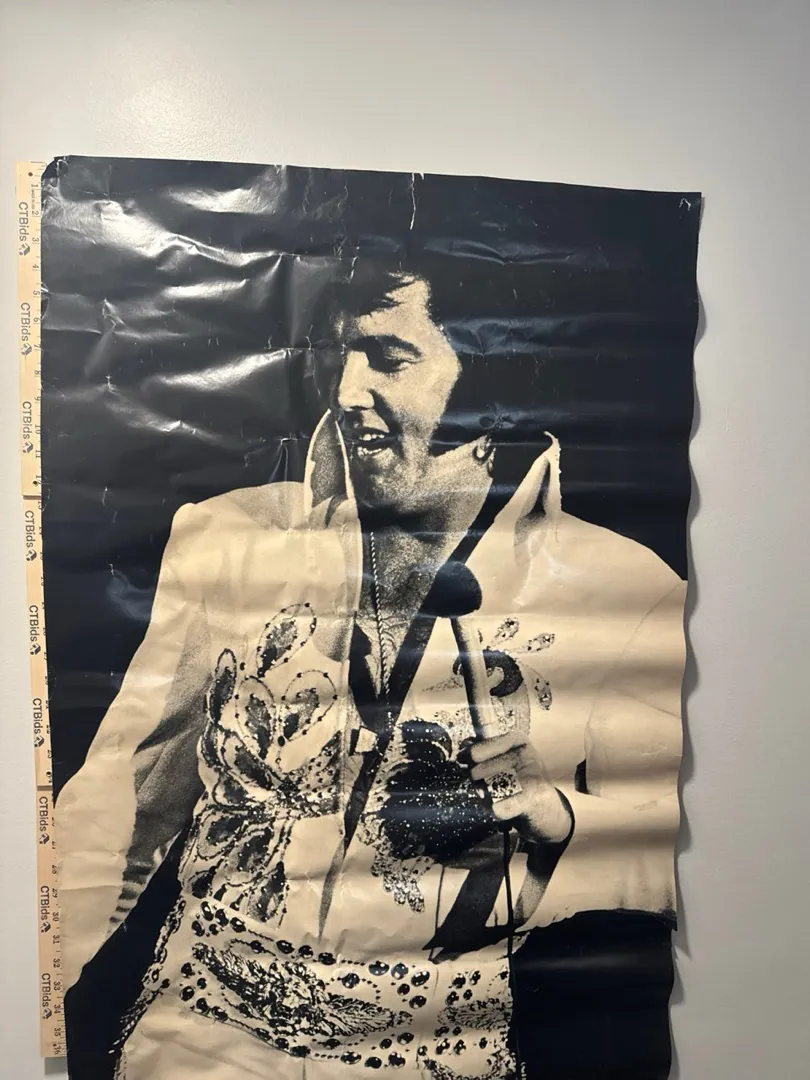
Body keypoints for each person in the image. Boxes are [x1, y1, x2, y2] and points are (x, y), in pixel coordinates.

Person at [56, 260, 685, 1080]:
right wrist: (29, 1004)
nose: (347, 390)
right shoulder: (228, 539)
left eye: (388, 357)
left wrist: (559, 817)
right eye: (340, 354)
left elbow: (673, 860)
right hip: (198, 1046)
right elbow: (123, 803)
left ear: (493, 377)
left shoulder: (626, 592)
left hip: (437, 1056)